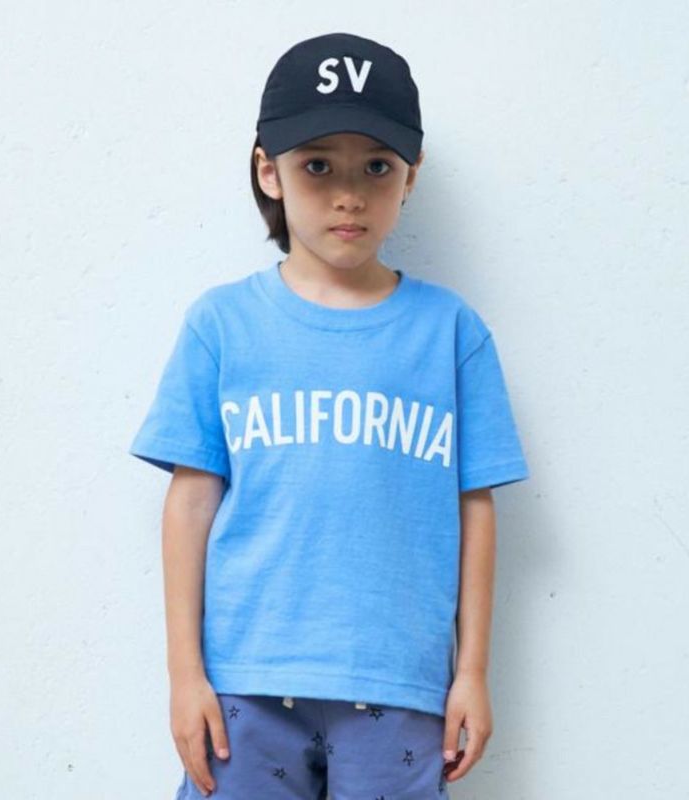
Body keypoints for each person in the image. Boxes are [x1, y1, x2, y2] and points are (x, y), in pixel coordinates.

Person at [129, 31, 530, 800]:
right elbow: (190, 502)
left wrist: (472, 671)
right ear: (268, 171)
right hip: (245, 683)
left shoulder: (450, 333)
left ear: (411, 175)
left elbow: (474, 506)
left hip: (399, 682)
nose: (349, 194)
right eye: (318, 165)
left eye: (376, 166)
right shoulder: (222, 325)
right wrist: (185, 675)